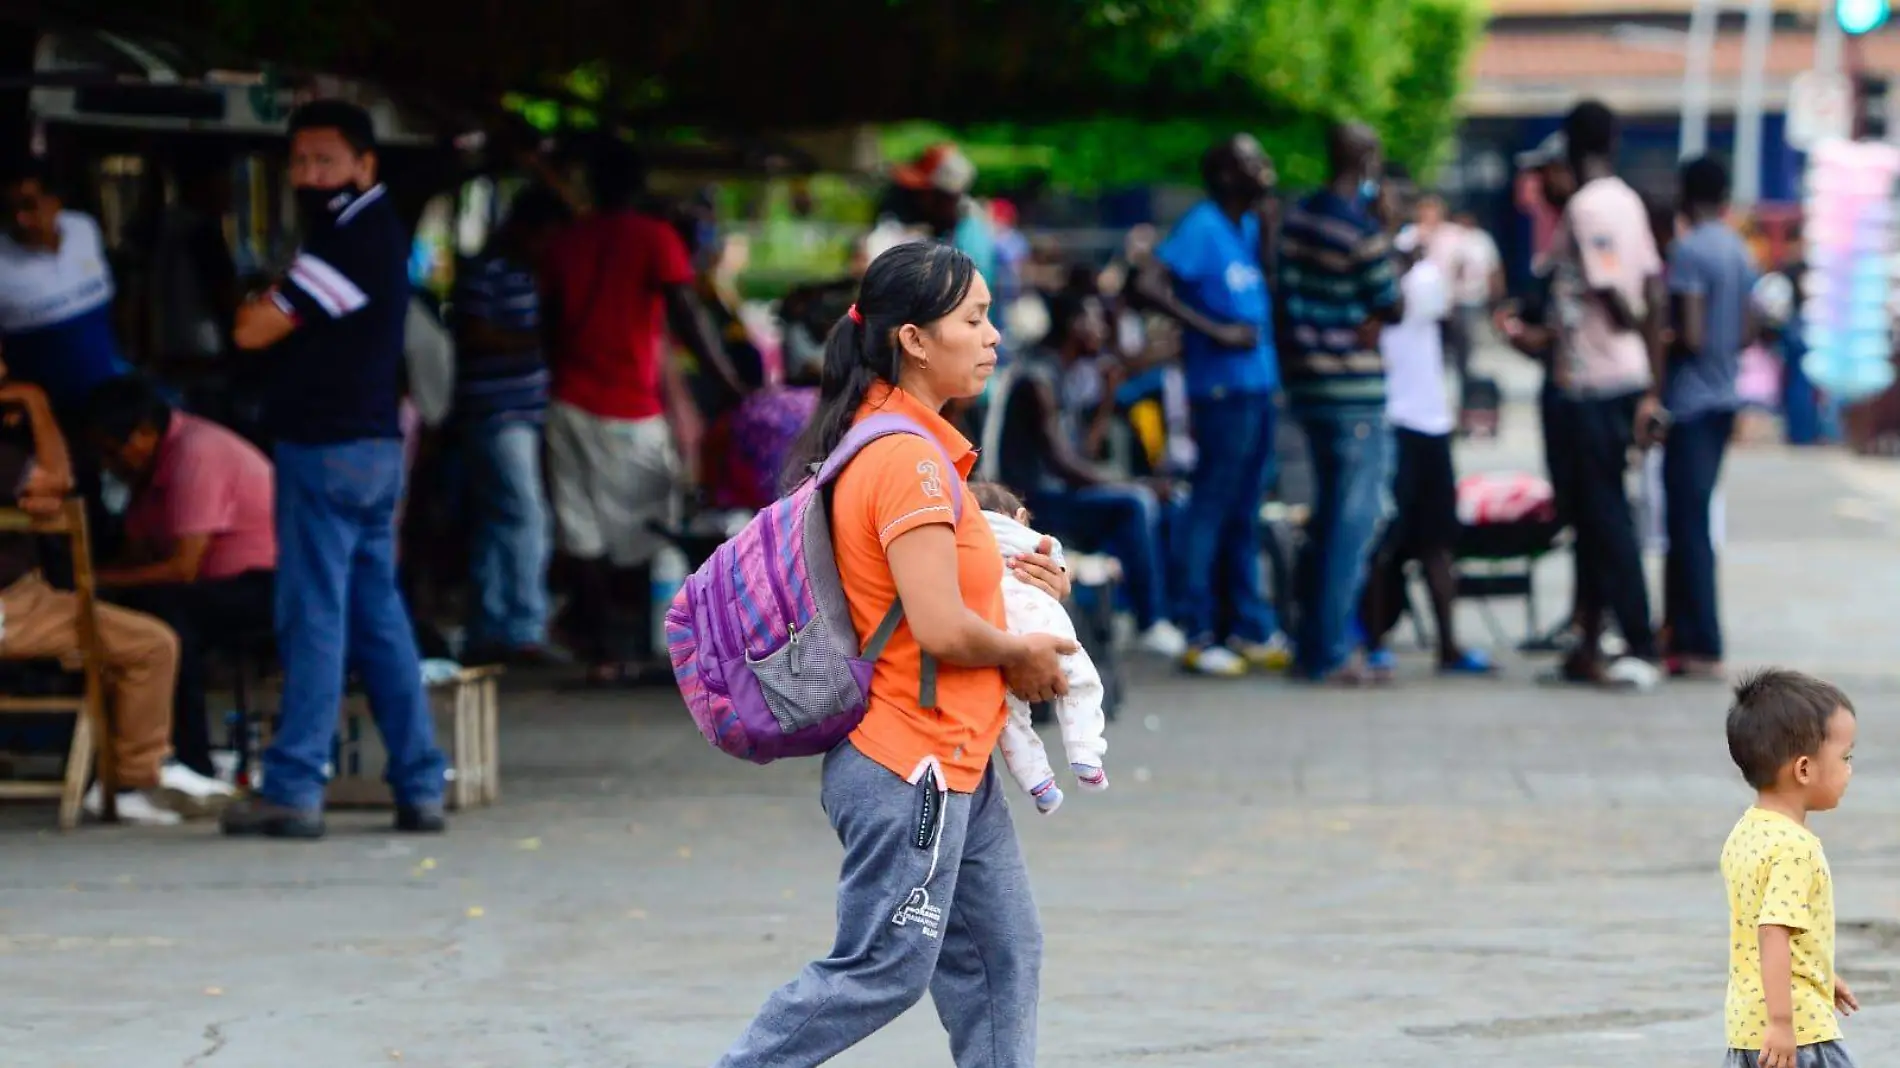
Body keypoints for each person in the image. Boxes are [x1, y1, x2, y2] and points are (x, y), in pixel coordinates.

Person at [715, 242, 1073, 1068]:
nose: (992, 338)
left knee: (1001, 959)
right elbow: (941, 627)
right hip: (912, 760)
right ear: (914, 338)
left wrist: (1027, 585)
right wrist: (1022, 651)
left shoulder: (908, 444)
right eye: (974, 320)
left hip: (958, 755)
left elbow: (942, 589)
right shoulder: (906, 458)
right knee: (880, 968)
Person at [223, 99, 448, 839]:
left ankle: (293, 787)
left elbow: (253, 330)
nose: (310, 175)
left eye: (326, 161)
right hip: (372, 448)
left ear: (364, 164)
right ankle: (419, 782)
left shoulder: (351, 237)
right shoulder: (368, 231)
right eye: (300, 161)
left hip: (326, 449)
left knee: (313, 614)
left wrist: (266, 291)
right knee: (375, 613)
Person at [540, 141, 743, 684]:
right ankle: (634, 644)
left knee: (581, 532)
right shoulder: (653, 238)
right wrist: (732, 385)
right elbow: (688, 314)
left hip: (566, 403)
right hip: (629, 405)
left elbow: (548, 322)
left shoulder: (564, 242)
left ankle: (603, 650)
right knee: (645, 532)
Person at [0, 357, 217, 824]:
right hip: (11, 609)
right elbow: (57, 479)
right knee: (153, 644)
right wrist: (36, 403)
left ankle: (130, 770)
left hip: (25, 603)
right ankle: (136, 777)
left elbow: (42, 494)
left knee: (124, 634)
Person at [1134, 133, 1287, 676]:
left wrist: (1267, 237)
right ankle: (1197, 629)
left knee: (1245, 511)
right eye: (1253, 160)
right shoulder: (1200, 227)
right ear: (1225, 174)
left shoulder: (1247, 226)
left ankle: (1245, 625)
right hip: (1220, 390)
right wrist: (1212, 331)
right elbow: (1146, 284)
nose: (1265, 167)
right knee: (1212, 508)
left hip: (1256, 386)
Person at [87, 376, 276, 783]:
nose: (109, 464)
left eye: (112, 451)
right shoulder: (147, 471)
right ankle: (126, 752)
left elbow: (182, 567)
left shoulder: (195, 453)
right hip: (212, 586)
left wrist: (98, 579)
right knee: (122, 615)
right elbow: (138, 553)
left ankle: (192, 760)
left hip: (264, 584)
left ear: (144, 433)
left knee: (166, 620)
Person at [1276, 122, 1404, 684]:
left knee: (1329, 517)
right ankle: (1329, 650)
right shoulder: (1358, 228)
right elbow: (1391, 302)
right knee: (1354, 523)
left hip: (1308, 385)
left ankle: (1314, 642)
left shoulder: (1298, 218)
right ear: (1369, 161)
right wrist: (1390, 232)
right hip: (1353, 392)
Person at [1544, 101, 1666, 690]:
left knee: (1606, 516)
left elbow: (1615, 289)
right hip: (1620, 378)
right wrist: (1651, 384)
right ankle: (1590, 644)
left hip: (1594, 381)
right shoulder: (1628, 201)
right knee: (1596, 518)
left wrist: (1626, 328)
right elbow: (1651, 285)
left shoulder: (1589, 205)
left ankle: (1637, 640)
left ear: (1571, 144)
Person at [990, 290, 1184, 657]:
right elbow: (1062, 463)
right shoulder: (1038, 380)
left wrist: (1108, 398)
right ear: (1073, 326)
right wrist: (1133, 484)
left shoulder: (1063, 374)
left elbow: (1085, 453)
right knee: (1134, 503)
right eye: (1093, 321)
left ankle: (1143, 610)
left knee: (1160, 502)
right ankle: (1150, 620)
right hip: (1036, 501)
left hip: (1060, 494)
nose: (1101, 331)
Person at [1357, 227, 1492, 677]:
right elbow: (1383, 313)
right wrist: (1396, 262)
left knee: (1438, 542)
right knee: (1383, 539)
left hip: (1430, 420)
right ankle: (1373, 642)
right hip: (1391, 418)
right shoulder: (1372, 265)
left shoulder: (1428, 271)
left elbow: (1448, 327)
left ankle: (1448, 646)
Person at [450, 184, 570, 665]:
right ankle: (522, 627)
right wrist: (538, 341)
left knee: (500, 520)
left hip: (523, 413)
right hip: (497, 413)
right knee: (526, 515)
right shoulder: (489, 271)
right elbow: (474, 333)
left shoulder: (530, 274)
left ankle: (491, 624)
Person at [1720, 670, 1861, 1068]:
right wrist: (1783, 1023)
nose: (1850, 770)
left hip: (1746, 1031)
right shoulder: (1796, 848)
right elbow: (1773, 932)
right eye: (1845, 757)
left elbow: (1758, 928)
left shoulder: (1746, 831)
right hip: (1799, 1036)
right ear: (1803, 770)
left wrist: (1817, 973)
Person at [1664, 156, 1755, 681]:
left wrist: (1665, 339)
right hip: (1725, 397)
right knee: (1695, 519)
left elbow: (1691, 335)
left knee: (1687, 525)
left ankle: (1698, 639)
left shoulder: (1689, 251)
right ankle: (1684, 632)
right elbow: (1745, 332)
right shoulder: (1739, 251)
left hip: (1690, 403)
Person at [971, 481, 1109, 816]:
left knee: (1009, 715)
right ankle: (1085, 755)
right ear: (1020, 516)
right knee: (1082, 683)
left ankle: (1038, 783)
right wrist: (1061, 574)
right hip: (1038, 621)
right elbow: (1058, 568)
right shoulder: (1031, 538)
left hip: (992, 623)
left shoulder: (962, 535)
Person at [0, 158, 132, 415]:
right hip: (48, 414)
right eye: (10, 209)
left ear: (55, 201)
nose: (21, 220)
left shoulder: (84, 229)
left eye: (29, 206)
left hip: (109, 400)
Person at [889, 142, 996, 282]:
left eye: (922, 193)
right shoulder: (946, 230)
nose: (917, 200)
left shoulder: (969, 240)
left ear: (945, 197)